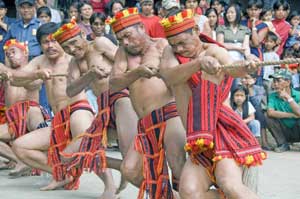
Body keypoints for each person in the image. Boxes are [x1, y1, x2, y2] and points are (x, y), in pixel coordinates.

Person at [159, 9, 266, 198]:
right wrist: (199, 63)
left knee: (229, 184)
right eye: (174, 45)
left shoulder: (214, 50)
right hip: (197, 138)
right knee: (190, 192)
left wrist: (248, 64)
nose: (179, 49)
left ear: (194, 30)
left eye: (182, 43)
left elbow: (234, 69)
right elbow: (168, 76)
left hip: (222, 133)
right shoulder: (171, 52)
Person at [8, 23, 118, 198]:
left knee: (88, 144)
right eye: (45, 42)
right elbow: (15, 79)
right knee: (20, 147)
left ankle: (110, 186)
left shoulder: (73, 57)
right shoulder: (39, 61)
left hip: (78, 110)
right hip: (57, 120)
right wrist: (36, 74)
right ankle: (61, 174)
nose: (50, 45)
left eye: (53, 41)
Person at [108, 7, 186, 198]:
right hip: (145, 122)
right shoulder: (123, 53)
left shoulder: (163, 46)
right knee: (130, 169)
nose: (125, 42)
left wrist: (159, 70)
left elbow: (175, 75)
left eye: (128, 35)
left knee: (177, 165)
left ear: (141, 28)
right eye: (120, 39)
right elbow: (114, 84)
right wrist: (137, 72)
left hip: (169, 113)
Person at [57, 18, 139, 194]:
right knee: (69, 154)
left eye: (73, 43)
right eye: (66, 48)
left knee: (130, 161)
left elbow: (127, 63)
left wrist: (111, 73)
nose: (71, 50)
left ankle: (162, 190)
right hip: (103, 109)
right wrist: (89, 75)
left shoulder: (99, 44)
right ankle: (120, 173)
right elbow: (70, 91)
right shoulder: (74, 63)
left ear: (81, 34)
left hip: (121, 99)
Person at [0, 39, 49, 177]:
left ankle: (50, 162)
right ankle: (21, 161)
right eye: (7, 54)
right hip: (12, 119)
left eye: (13, 52)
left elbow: (36, 84)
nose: (10, 55)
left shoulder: (36, 70)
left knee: (37, 119)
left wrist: (21, 77)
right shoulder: (5, 72)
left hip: (30, 111)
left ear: (25, 53)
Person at [266, 69, 300, 152]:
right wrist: (291, 115)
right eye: (274, 81)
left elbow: (299, 112)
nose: (275, 84)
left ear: (288, 82)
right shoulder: (272, 96)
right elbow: (270, 112)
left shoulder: (298, 94)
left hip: (297, 130)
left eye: (278, 81)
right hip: (284, 130)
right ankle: (282, 144)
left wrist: (288, 98)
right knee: (267, 117)